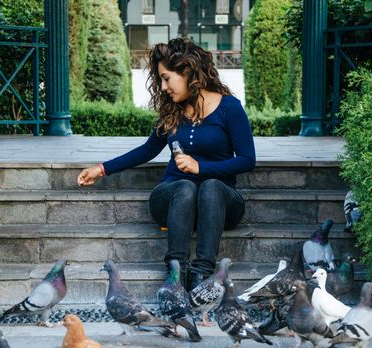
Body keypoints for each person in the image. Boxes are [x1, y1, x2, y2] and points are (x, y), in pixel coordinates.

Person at [77, 38, 256, 291]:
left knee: (211, 187)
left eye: (166, 78)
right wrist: (102, 169)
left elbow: (248, 160)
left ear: (187, 72)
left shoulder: (230, 108)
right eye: (160, 80)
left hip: (220, 206)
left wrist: (200, 168)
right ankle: (175, 272)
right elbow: (148, 149)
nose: (162, 87)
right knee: (185, 187)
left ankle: (202, 273)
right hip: (173, 199)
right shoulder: (173, 111)